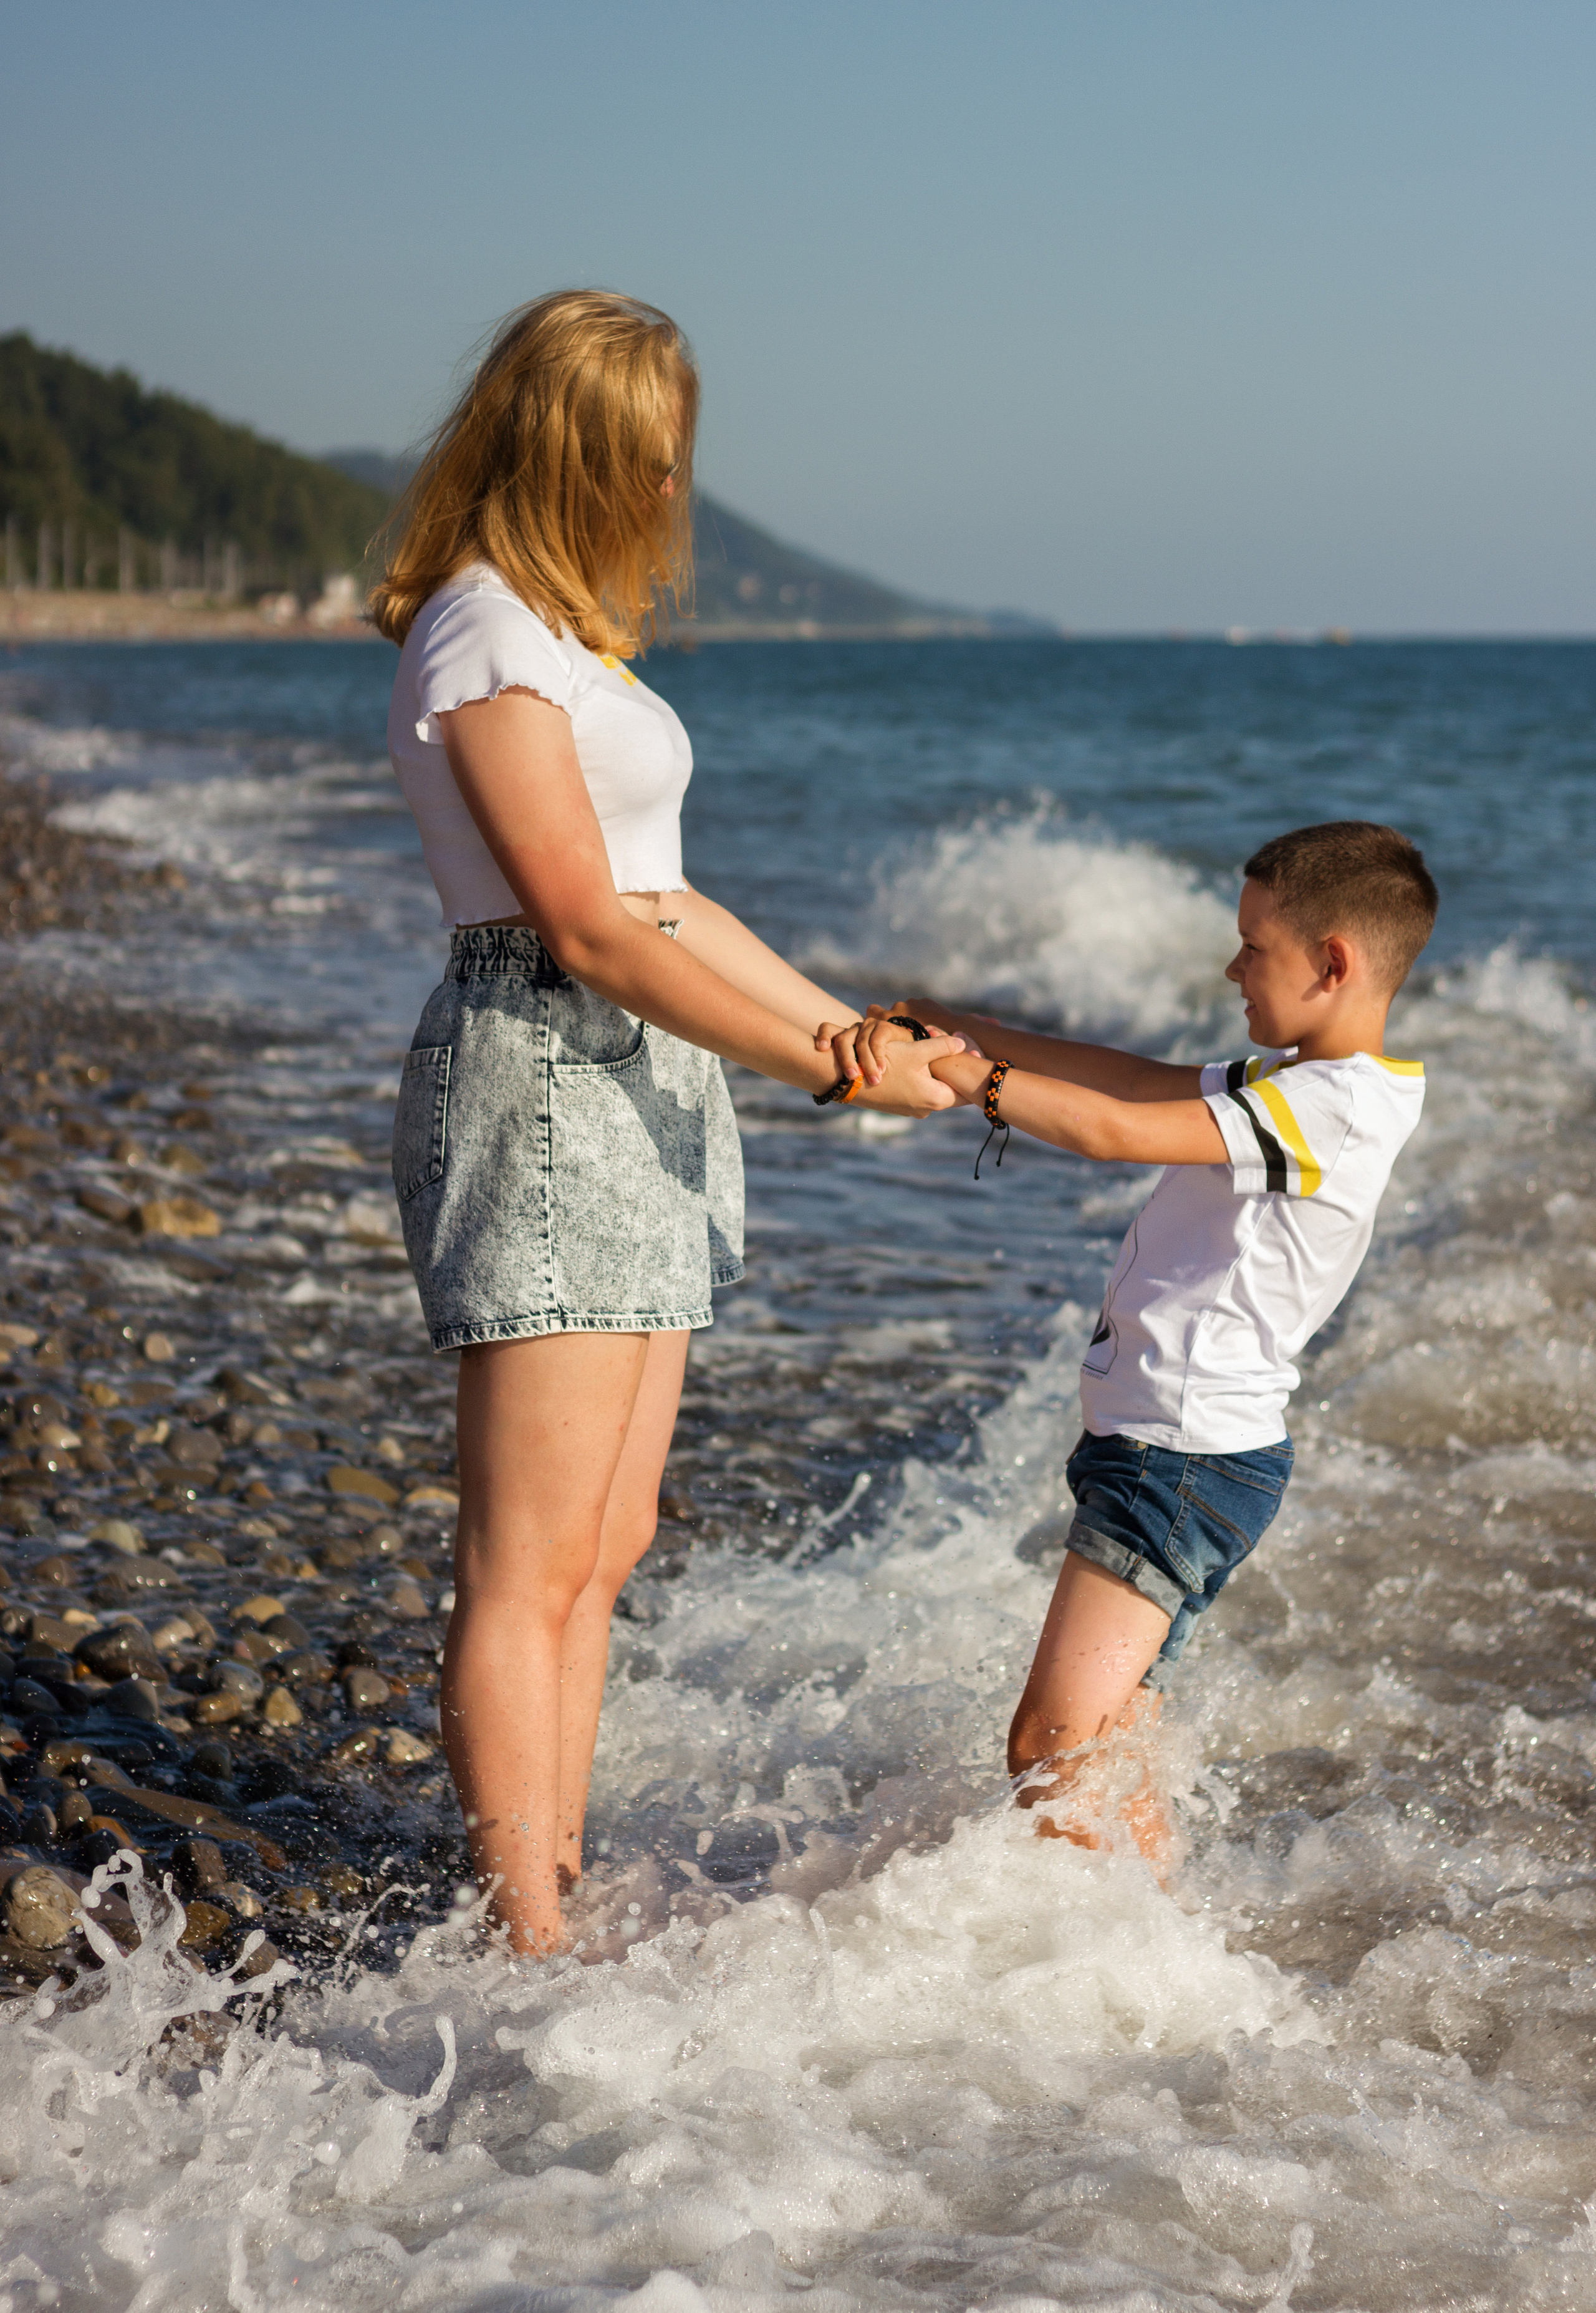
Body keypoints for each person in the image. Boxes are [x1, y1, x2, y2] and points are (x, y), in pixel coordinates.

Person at [370, 289, 964, 1954]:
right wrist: (822, 1069)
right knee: (528, 1556)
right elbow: (585, 927)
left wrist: (848, 1032)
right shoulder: (483, 633)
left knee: (605, 1541)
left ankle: (552, 1880)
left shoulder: (561, 642)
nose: (667, 489)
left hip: (642, 1083)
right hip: (549, 1077)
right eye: (649, 455)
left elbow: (669, 898)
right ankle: (524, 1943)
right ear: (579, 452)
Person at [871, 820, 1437, 1865]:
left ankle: (1081, 1947)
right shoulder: (1304, 1085)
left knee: (1052, 1746)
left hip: (1179, 1461)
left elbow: (1112, 1131)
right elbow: (1132, 1081)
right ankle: (1159, 1938)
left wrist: (967, 1078)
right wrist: (969, 1030)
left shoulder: (1326, 1106)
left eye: (1252, 946)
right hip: (1179, 1453)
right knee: (1117, 1743)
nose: (1232, 968)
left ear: (1333, 963)